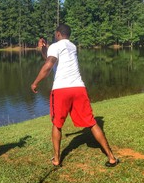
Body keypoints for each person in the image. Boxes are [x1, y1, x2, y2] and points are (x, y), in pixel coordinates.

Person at [31, 24, 119, 167]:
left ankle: (57, 159)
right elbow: (51, 58)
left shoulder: (56, 46)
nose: (55, 36)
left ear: (58, 34)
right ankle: (111, 157)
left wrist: (35, 83)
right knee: (91, 122)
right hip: (79, 88)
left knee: (57, 124)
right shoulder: (72, 46)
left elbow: (48, 65)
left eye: (55, 34)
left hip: (61, 90)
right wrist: (43, 48)